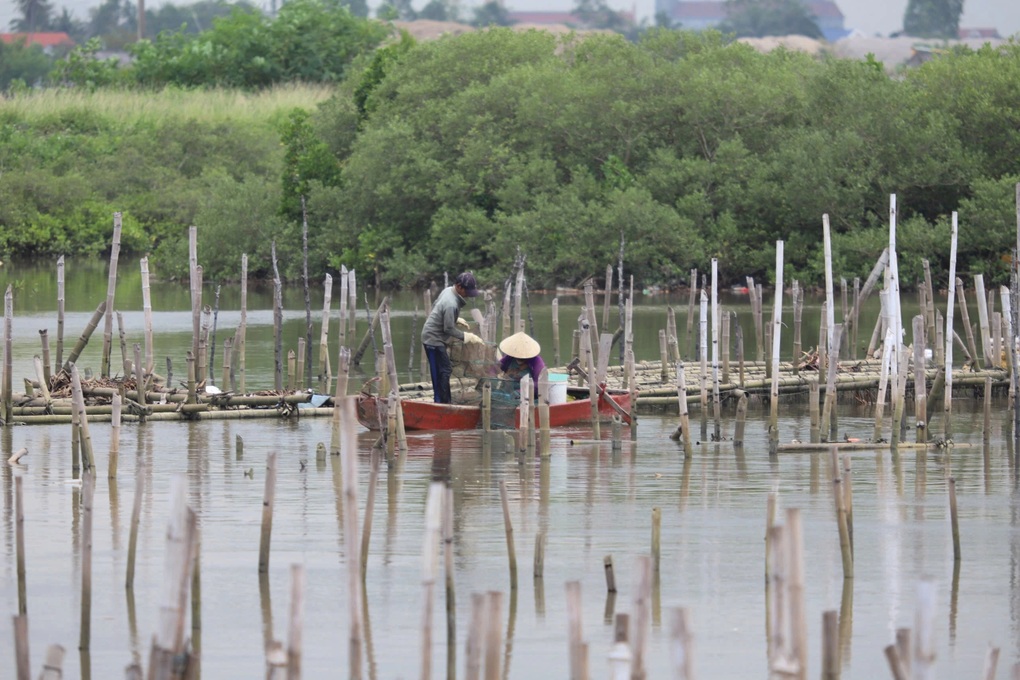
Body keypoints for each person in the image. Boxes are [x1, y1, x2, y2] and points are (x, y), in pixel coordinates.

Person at [421, 272, 484, 403]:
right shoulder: (451, 304)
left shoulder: (448, 290)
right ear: (459, 287)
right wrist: (466, 336)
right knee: (442, 370)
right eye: (467, 291)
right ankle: (441, 402)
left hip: (435, 336)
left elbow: (435, 308)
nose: (468, 294)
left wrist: (454, 319)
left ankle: (442, 400)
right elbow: (448, 329)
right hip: (433, 339)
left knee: (442, 369)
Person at [498, 331, 546, 398]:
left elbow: (539, 384)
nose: (519, 357)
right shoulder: (509, 358)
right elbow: (496, 368)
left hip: (527, 397)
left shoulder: (537, 362)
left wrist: (520, 392)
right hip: (507, 394)